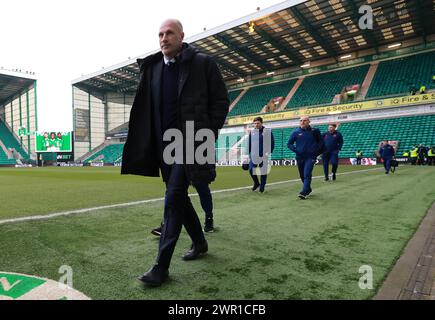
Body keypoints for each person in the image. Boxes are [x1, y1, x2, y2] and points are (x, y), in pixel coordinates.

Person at [121, 19, 229, 286]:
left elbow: (220, 101)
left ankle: (161, 267)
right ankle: (200, 243)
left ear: (182, 36)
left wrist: (208, 132)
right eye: (160, 34)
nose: (163, 38)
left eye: (169, 33)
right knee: (179, 197)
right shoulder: (153, 68)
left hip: (191, 141)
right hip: (164, 145)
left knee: (173, 198)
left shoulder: (203, 63)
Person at [287, 116, 324, 199]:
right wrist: (296, 150)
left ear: (309, 121)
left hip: (310, 157)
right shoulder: (295, 132)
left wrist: (316, 151)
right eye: (301, 121)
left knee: (307, 173)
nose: (302, 122)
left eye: (304, 120)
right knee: (302, 175)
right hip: (300, 157)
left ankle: (304, 192)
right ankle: (308, 189)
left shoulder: (315, 131)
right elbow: (289, 144)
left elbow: (321, 142)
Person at [248, 117, 275, 193]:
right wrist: (247, 155)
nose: (256, 125)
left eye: (258, 123)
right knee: (250, 169)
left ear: (261, 123)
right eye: (255, 123)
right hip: (254, 155)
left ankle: (262, 188)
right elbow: (249, 144)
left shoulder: (267, 131)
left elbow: (272, 143)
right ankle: (256, 183)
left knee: (263, 172)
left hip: (264, 156)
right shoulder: (252, 132)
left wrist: (268, 152)